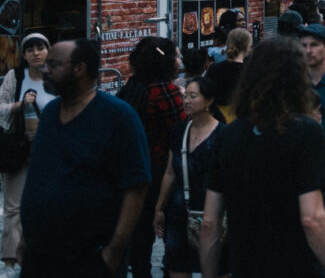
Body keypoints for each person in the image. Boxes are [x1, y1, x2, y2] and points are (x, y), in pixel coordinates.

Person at [200, 36, 325, 277]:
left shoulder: (228, 135)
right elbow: (313, 218)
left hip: (245, 265)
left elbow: (209, 223)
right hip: (297, 266)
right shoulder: (305, 132)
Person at [21, 38, 150, 276]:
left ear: (79, 68)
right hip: (40, 256)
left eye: (54, 64)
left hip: (88, 258)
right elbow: (39, 175)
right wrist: (25, 236)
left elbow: (137, 186)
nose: (45, 70)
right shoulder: (50, 113)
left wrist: (115, 249)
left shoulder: (118, 117)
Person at [117, 36, 186, 278]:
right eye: (176, 56)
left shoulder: (132, 87)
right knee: (168, 233)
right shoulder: (165, 93)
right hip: (161, 170)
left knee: (139, 236)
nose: (180, 60)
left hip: (133, 169)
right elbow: (180, 133)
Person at [153, 76, 228, 278]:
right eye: (184, 96)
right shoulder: (178, 131)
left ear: (209, 100)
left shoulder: (224, 134)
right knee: (177, 266)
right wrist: (159, 208)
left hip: (213, 213)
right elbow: (170, 172)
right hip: (180, 212)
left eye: (192, 96)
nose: (186, 101)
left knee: (216, 269)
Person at [0, 33, 56, 275]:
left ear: (48, 50)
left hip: (49, 150)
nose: (36, 52)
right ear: (23, 54)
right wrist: (18, 105)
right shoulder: (16, 76)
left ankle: (44, 254)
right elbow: (0, 105)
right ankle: (10, 262)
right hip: (18, 149)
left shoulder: (55, 76)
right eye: (30, 49)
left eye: (40, 47)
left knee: (48, 203)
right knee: (13, 207)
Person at [205, 27, 251, 123]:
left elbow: (206, 95)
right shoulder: (250, 72)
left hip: (217, 121)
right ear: (247, 46)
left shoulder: (213, 68)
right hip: (241, 122)